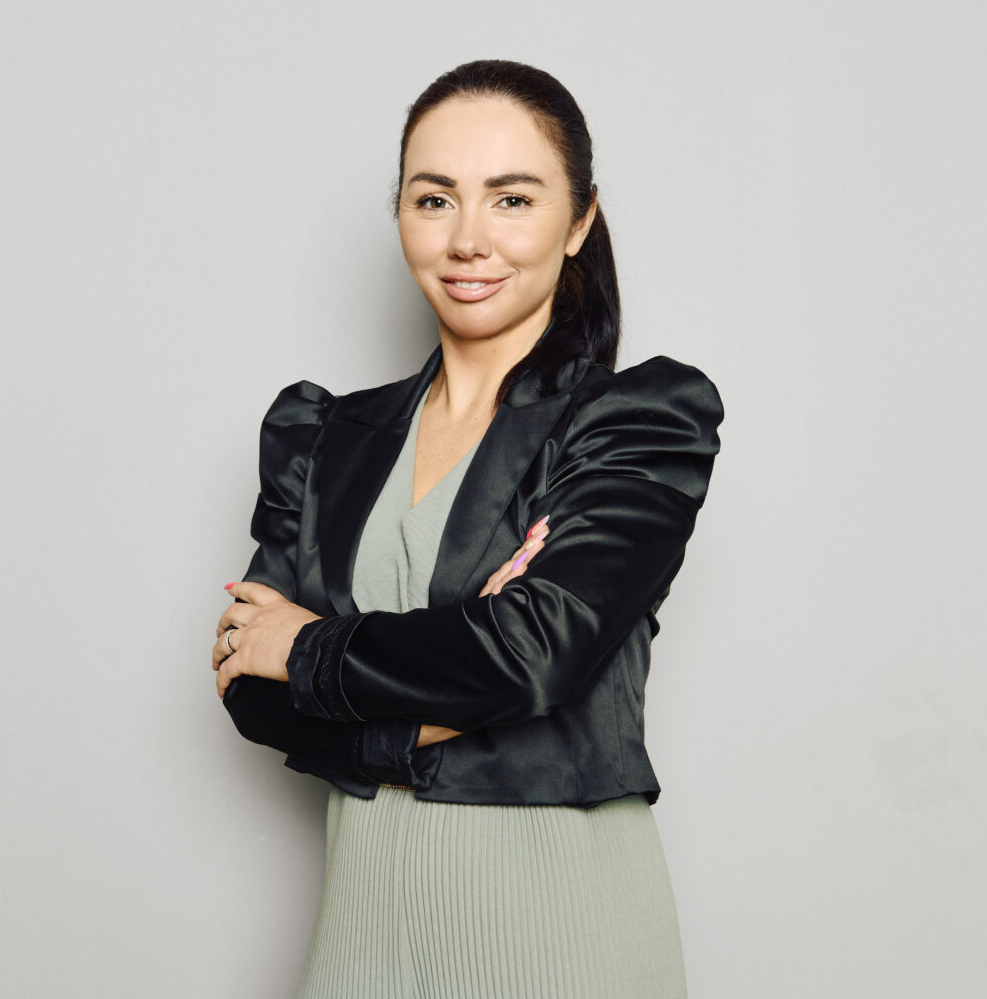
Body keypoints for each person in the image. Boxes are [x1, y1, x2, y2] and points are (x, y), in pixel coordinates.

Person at [212, 59, 723, 999]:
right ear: (401, 213)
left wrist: (310, 648)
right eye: (435, 199)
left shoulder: (634, 423)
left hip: (563, 931)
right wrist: (455, 677)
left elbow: (535, 655)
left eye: (512, 199)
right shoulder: (324, 436)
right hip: (360, 931)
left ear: (579, 222)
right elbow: (249, 684)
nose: (468, 239)